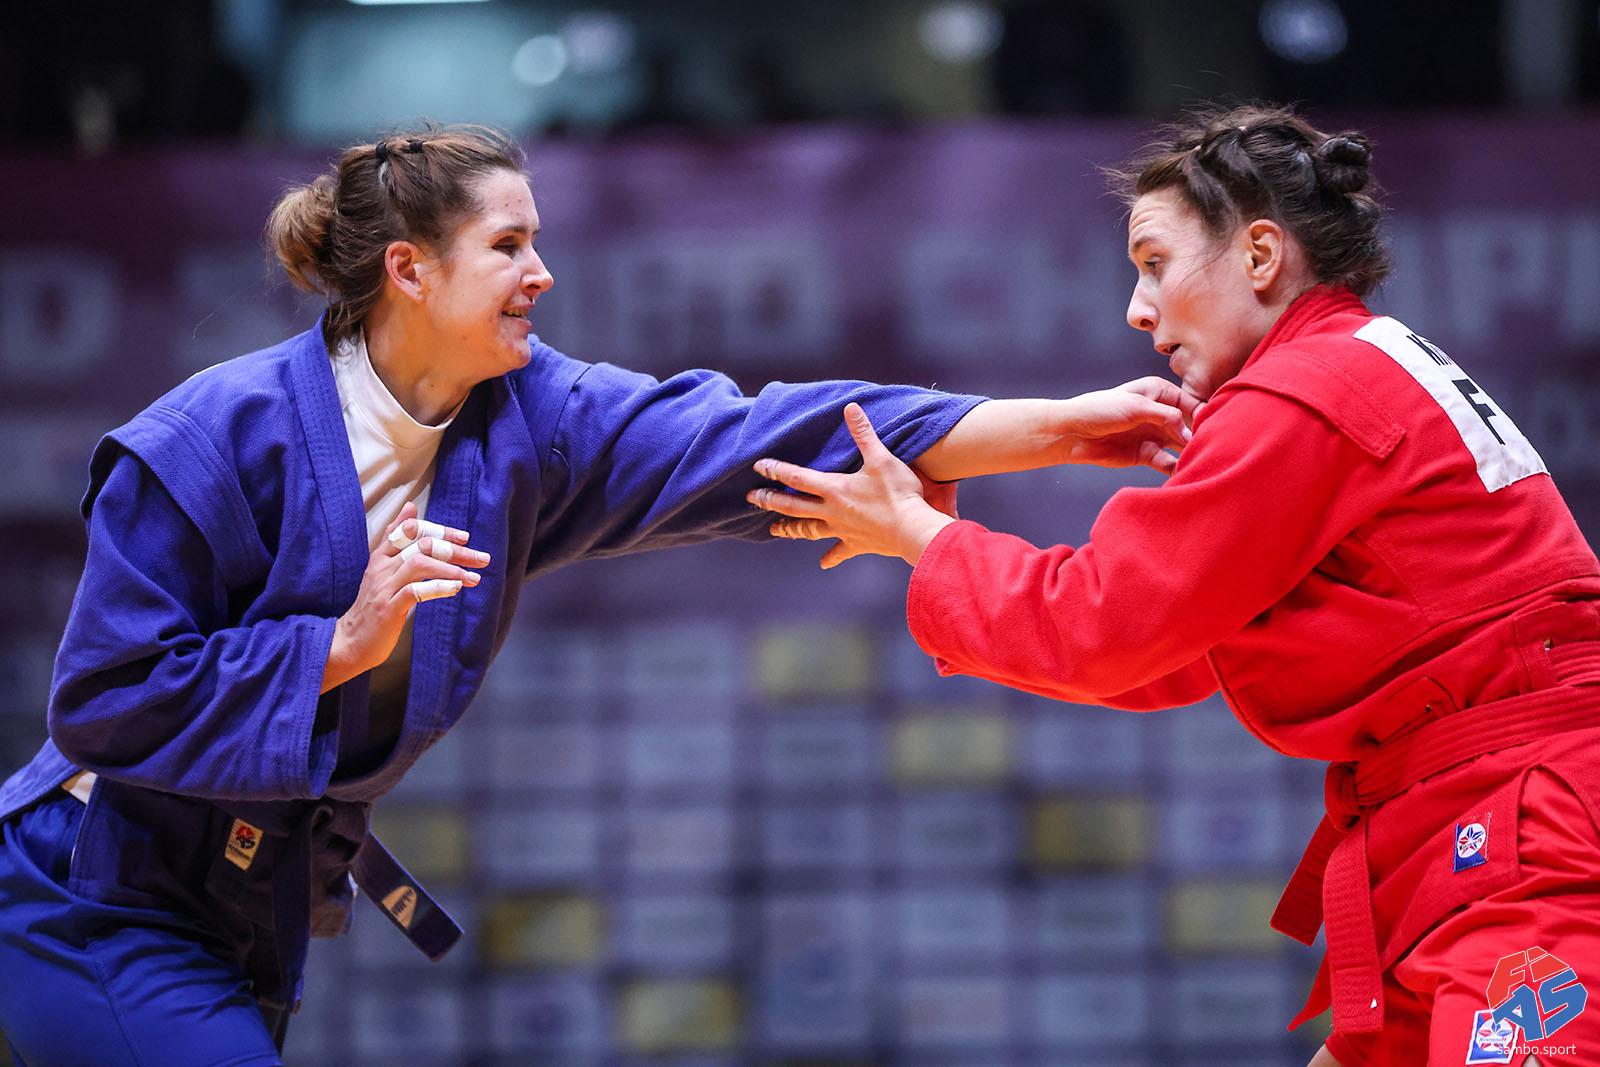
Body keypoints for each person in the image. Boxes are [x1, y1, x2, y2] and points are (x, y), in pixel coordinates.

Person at [0, 123, 1193, 1066]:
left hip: (244, 899)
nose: (543, 273)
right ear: (409, 269)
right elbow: (101, 698)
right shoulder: (213, 437)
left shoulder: (530, 416)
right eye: (509, 245)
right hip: (93, 878)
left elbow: (757, 432)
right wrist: (340, 643)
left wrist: (1064, 426)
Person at [749, 104, 1600, 1067]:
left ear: (1261, 255)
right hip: (1477, 821)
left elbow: (1103, 626)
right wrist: (942, 547)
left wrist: (919, 535)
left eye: (1154, 263)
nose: (1137, 309)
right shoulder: (1359, 362)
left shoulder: (1305, 390)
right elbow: (1170, 652)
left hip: (1525, 827)